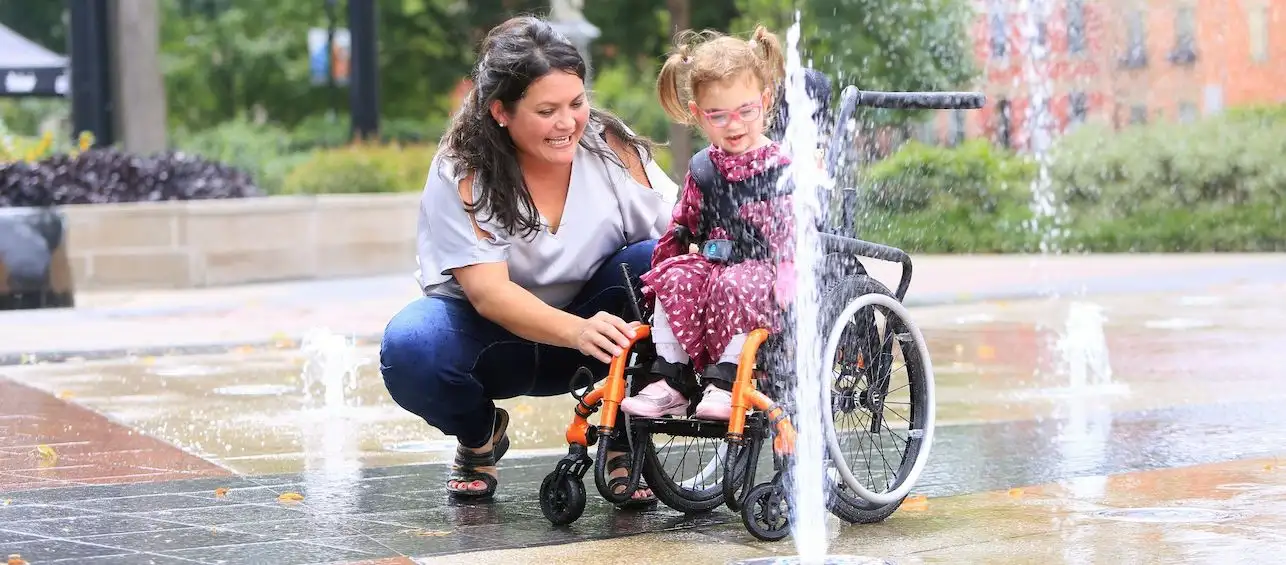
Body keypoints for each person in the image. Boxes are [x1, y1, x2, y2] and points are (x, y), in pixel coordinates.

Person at [378, 16, 677, 504]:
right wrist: (576, 331)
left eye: (576, 103)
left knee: (657, 265)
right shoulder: (463, 167)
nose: (568, 124)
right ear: (501, 110)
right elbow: (488, 293)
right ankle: (480, 436)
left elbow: (678, 228)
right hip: (494, 342)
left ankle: (626, 427)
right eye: (546, 110)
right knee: (411, 345)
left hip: (600, 334)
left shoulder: (608, 146)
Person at [620, 26, 797, 421]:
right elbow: (683, 222)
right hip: (718, 264)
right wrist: (666, 265)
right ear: (699, 116)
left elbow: (793, 231)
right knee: (676, 277)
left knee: (734, 283)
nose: (734, 126)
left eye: (745, 111)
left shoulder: (780, 167)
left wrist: (790, 273)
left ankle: (727, 380)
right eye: (719, 116)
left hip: (765, 274)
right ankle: (672, 379)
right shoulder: (704, 168)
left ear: (765, 102)